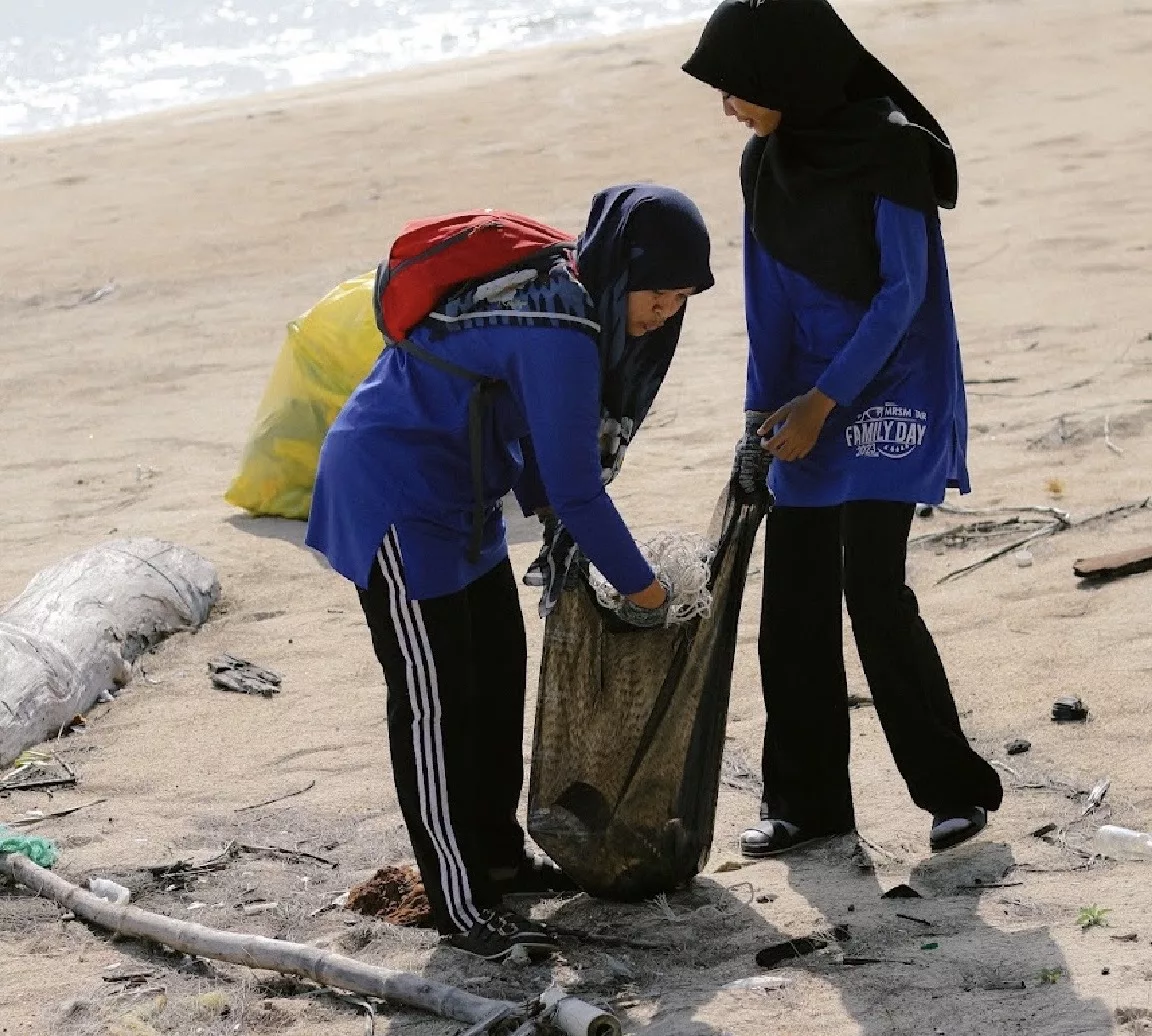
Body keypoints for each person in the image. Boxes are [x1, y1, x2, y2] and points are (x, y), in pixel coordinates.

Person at [306, 184, 714, 959]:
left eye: (682, 299)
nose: (665, 313)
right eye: (657, 294)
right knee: (433, 705)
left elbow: (539, 442)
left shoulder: (585, 303)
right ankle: (459, 904)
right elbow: (574, 490)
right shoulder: (560, 324)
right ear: (623, 273)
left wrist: (579, 540)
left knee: (495, 677)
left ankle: (497, 856)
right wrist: (648, 593)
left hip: (465, 500)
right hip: (392, 496)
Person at [682, 0, 1002, 858]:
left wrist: (825, 402)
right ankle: (808, 804)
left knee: (874, 591)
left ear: (788, 71)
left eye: (738, 88)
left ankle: (953, 791)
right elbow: (767, 303)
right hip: (804, 409)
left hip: (891, 389)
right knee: (791, 605)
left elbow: (903, 295)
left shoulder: (890, 150)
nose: (729, 108)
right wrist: (762, 416)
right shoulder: (764, 164)